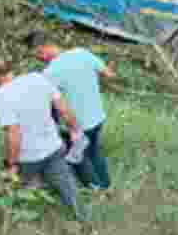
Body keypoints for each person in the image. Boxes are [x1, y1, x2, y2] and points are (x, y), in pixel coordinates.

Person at [0, 57, 89, 222]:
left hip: (28, 157)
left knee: (15, 191)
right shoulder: (38, 78)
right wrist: (75, 130)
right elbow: (64, 109)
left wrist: (12, 165)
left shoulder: (0, 96)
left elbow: (14, 134)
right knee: (68, 188)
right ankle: (85, 221)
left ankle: (12, 225)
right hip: (53, 147)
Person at [25, 31, 116, 189]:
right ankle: (106, 185)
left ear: (42, 50)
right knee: (93, 151)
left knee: (77, 158)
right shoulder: (82, 52)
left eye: (37, 56)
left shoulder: (50, 72)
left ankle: (95, 189)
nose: (39, 59)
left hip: (78, 125)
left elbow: (44, 101)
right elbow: (108, 74)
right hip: (97, 118)